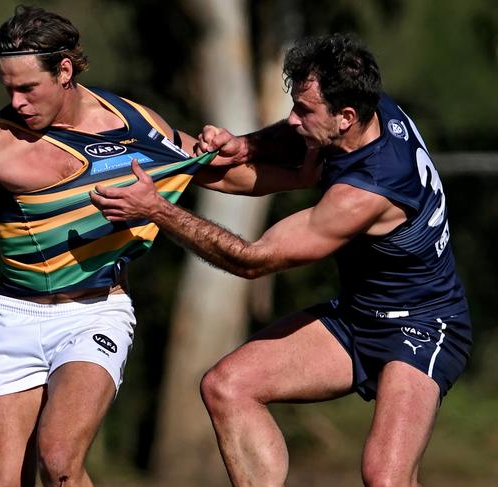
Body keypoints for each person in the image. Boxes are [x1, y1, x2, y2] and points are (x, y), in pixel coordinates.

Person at [0, 5, 258, 487]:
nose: (18, 102)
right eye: (8, 88)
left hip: (95, 313)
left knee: (58, 458)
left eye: (29, 88)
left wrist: (242, 146)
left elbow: (222, 170)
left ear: (65, 70)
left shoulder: (130, 120)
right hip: (16, 319)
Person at [90, 33, 472, 487]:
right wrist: (244, 145)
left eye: (304, 110)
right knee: (228, 387)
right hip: (358, 316)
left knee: (385, 477)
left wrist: (156, 210)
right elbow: (296, 157)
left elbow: (254, 260)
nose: (292, 119)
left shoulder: (365, 193)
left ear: (346, 117)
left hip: (423, 325)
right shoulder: (367, 109)